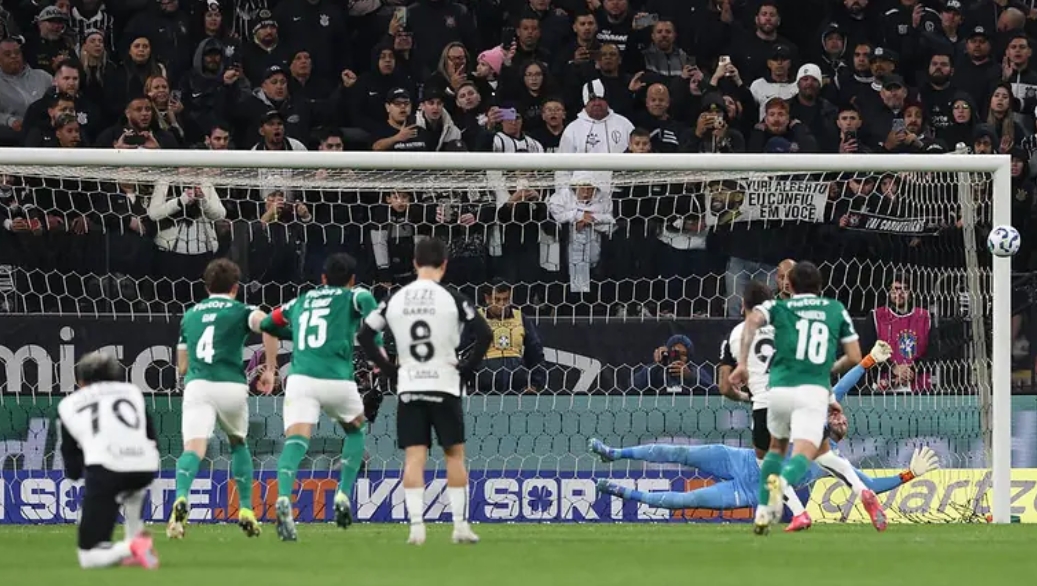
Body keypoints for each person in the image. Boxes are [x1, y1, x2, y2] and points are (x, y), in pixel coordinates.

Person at [592, 340, 940, 526]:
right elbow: (842, 387)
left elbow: (870, 486)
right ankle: (614, 454)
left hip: (747, 492)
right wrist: (869, 360)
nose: (842, 420)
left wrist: (909, 474)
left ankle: (620, 491)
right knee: (679, 453)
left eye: (844, 426)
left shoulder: (830, 461)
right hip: (740, 460)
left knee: (685, 502)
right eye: (841, 417)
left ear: (840, 436)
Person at [357, 238, 493, 546]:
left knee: (415, 457)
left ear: (415, 264)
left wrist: (389, 369)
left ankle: (416, 528)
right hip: (445, 384)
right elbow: (484, 333)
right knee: (454, 455)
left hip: (410, 385)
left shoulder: (396, 298)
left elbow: (365, 334)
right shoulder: (453, 297)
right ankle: (460, 526)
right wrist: (466, 368)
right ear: (444, 264)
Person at [728, 261, 866, 535]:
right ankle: (863, 491)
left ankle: (790, 511)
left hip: (769, 402)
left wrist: (742, 376)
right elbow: (831, 360)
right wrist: (829, 395)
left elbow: (725, 385)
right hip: (805, 394)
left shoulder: (743, 330)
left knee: (769, 460)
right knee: (820, 454)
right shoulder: (808, 318)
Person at [259, 253, 380, 542]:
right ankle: (343, 494)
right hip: (337, 379)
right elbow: (372, 319)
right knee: (356, 430)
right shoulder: (356, 295)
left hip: (301, 380)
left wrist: (275, 362)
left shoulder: (300, 301)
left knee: (296, 441)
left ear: (323, 278)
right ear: (352, 279)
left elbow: (267, 324)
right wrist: (377, 357)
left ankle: (284, 498)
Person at [167, 258, 276, 540]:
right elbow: (269, 325)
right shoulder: (242, 310)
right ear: (236, 287)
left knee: (193, 449)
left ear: (206, 286)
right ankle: (246, 508)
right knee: (238, 443)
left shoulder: (190, 315)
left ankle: (181, 498)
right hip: (230, 385)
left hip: (198, 385)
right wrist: (270, 369)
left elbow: (182, 366)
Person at [57, 351, 161, 569]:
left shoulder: (69, 404)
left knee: (89, 557)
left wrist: (84, 473)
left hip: (107, 470)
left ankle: (133, 546)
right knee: (133, 490)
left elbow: (71, 460)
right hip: (145, 467)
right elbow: (151, 436)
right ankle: (142, 553)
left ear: (80, 381)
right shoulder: (132, 392)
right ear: (115, 376)